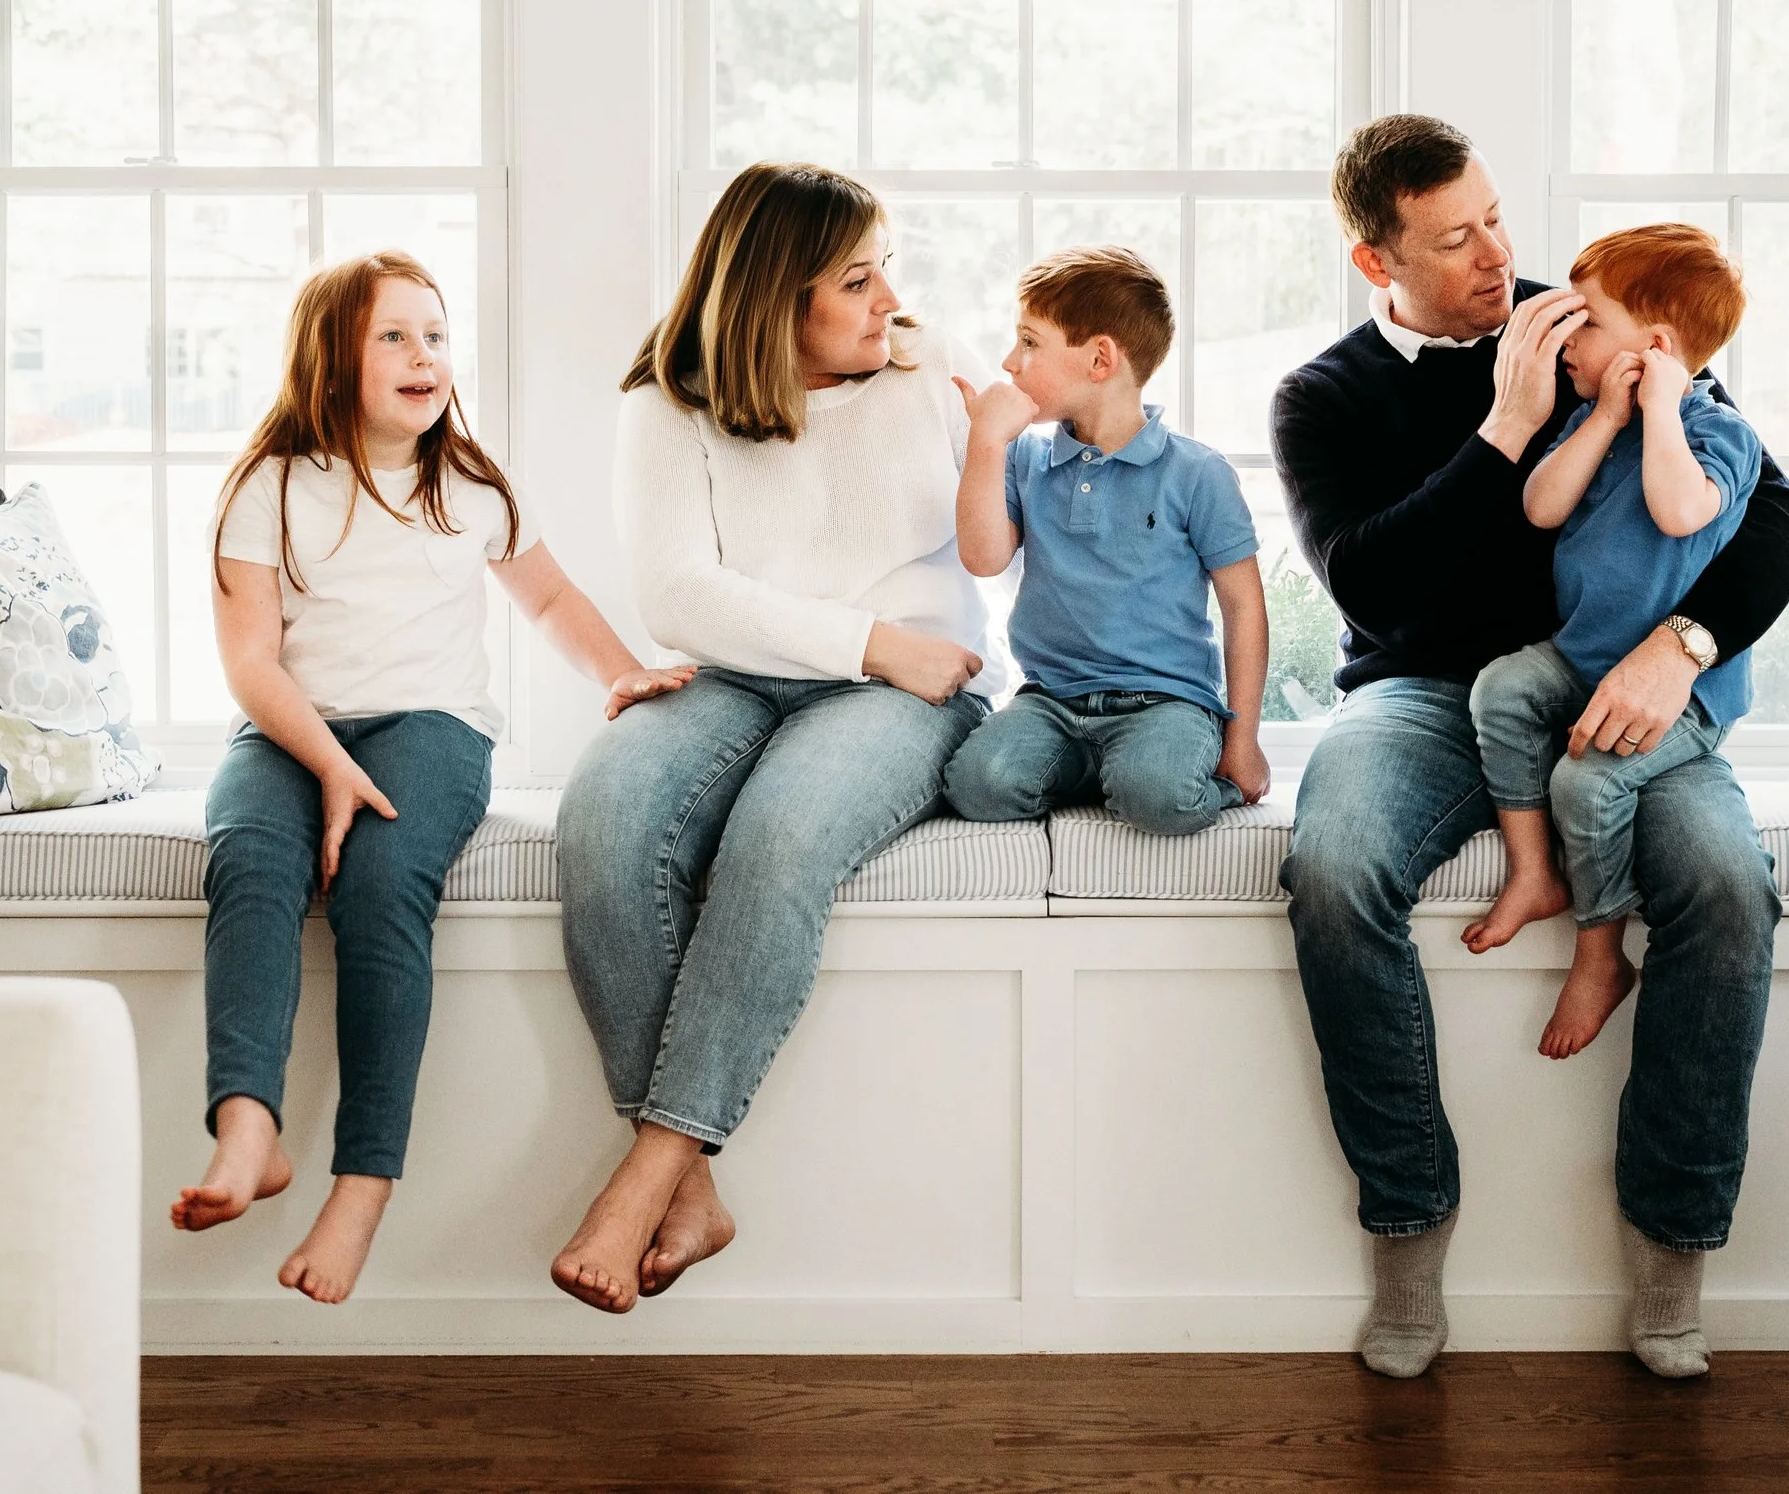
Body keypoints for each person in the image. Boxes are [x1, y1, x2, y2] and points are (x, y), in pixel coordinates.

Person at [1271, 116, 1789, 1382]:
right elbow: (1369, 584)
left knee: (1729, 887)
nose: (1496, 256)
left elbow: (1773, 515)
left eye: (1497, 218)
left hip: (1619, 688)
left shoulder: (1595, 317)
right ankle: (1409, 1230)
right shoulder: (1322, 396)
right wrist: (1502, 429)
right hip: (1418, 689)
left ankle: (1671, 1260)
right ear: (1377, 262)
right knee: (1334, 868)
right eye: (1454, 238)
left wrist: (1680, 642)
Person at [173, 250, 689, 1304]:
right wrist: (326, 764)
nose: (426, 357)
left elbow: (547, 600)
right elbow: (252, 663)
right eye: (394, 337)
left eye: (436, 334)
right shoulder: (268, 487)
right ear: (330, 361)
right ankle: (247, 1129)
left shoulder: (471, 484)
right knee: (252, 863)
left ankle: (361, 1185)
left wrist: (624, 672)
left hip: (432, 728)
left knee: (379, 883)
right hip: (288, 729)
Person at [550, 162, 998, 1315]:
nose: (887, 299)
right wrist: (870, 640)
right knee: (601, 821)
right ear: (768, 299)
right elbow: (678, 595)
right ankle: (693, 1189)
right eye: (854, 280)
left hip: (905, 692)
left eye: (886, 268)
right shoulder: (665, 400)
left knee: (779, 838)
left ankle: (653, 1166)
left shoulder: (926, 366)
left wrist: (903, 653)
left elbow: (1026, 513)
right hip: (742, 672)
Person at [1462, 225, 1764, 1067]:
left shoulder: (1720, 436)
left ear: (1657, 349)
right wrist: (1604, 416)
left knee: (1586, 788)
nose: (1567, 338)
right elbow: (1542, 506)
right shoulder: (1595, 421)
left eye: (1588, 322)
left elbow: (1678, 511)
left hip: (1683, 698)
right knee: (1499, 691)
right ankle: (1534, 870)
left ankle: (1600, 953)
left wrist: (1660, 407)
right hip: (1583, 655)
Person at [943, 246, 1272, 832]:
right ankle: (1101, 773)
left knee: (1159, 797)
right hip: (1051, 702)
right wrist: (986, 445)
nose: (1009, 362)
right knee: (978, 786)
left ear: (1100, 359)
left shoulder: (1196, 473)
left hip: (1166, 703)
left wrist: (1242, 738)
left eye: (1029, 342)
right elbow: (983, 557)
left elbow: (1243, 606)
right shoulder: (1024, 457)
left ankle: (1143, 776)